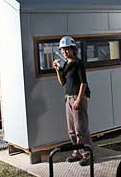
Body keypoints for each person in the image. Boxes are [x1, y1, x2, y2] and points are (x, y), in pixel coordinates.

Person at [52, 36, 92, 167]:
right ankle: (77, 153)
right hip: (68, 98)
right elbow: (62, 82)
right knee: (71, 130)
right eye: (62, 50)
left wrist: (79, 100)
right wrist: (58, 69)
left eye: (66, 49)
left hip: (77, 98)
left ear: (73, 49)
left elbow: (83, 83)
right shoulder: (66, 65)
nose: (64, 52)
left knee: (81, 129)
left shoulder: (78, 63)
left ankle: (87, 155)